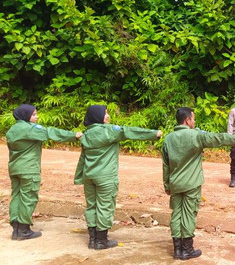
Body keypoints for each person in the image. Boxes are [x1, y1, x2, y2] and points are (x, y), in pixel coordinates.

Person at [163, 107, 235, 260]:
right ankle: (187, 249)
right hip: (191, 184)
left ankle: (177, 249)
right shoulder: (196, 135)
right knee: (189, 214)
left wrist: (167, 185)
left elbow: (165, 165)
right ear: (187, 120)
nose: (194, 121)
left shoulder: (168, 138)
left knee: (176, 214)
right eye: (193, 119)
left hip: (175, 183)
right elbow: (219, 139)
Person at [74, 105, 161, 250]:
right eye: (105, 113)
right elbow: (129, 132)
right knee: (105, 206)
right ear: (97, 116)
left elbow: (83, 158)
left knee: (92, 206)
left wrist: (79, 176)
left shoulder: (86, 134)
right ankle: (101, 241)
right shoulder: (108, 131)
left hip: (89, 176)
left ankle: (93, 239)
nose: (108, 116)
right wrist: (153, 134)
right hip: (105, 177)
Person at [7, 104, 82, 240]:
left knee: (17, 196)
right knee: (28, 197)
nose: (36, 117)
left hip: (14, 168)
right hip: (29, 169)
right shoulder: (30, 129)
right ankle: (24, 230)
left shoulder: (12, 130)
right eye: (34, 114)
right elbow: (51, 133)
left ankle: (16, 228)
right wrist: (74, 135)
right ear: (25, 115)